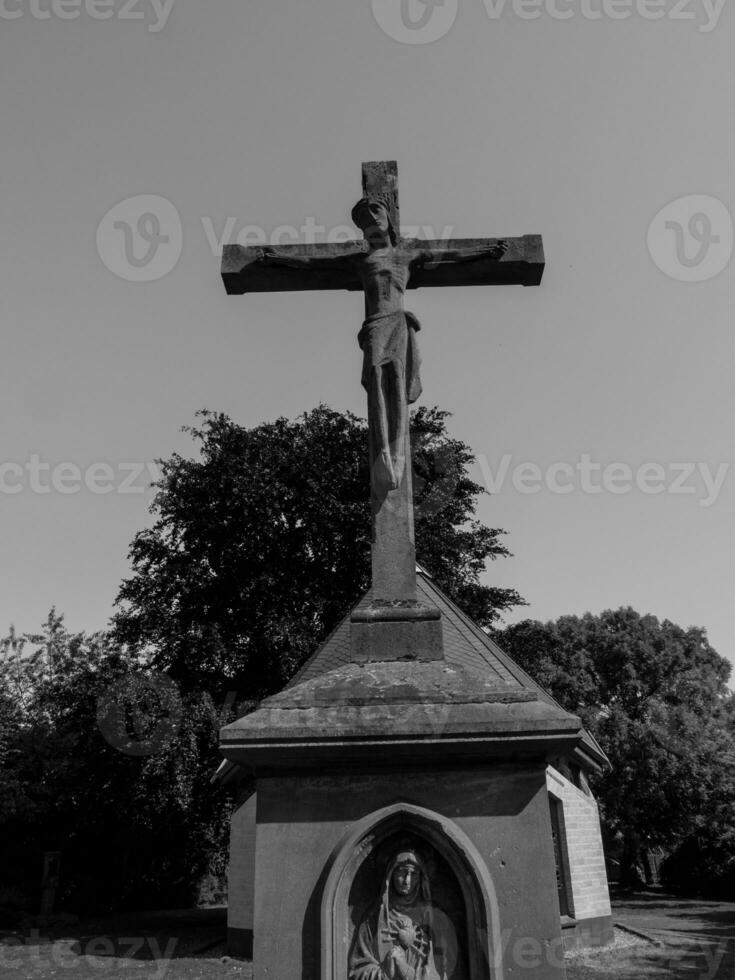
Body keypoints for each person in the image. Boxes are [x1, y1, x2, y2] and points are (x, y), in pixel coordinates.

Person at [349, 847, 457, 980]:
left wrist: (404, 967)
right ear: (391, 874)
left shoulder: (434, 919)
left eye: (414, 874)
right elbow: (358, 969)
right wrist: (385, 972)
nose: (407, 880)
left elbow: (443, 971)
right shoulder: (374, 916)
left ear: (421, 879)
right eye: (402, 872)